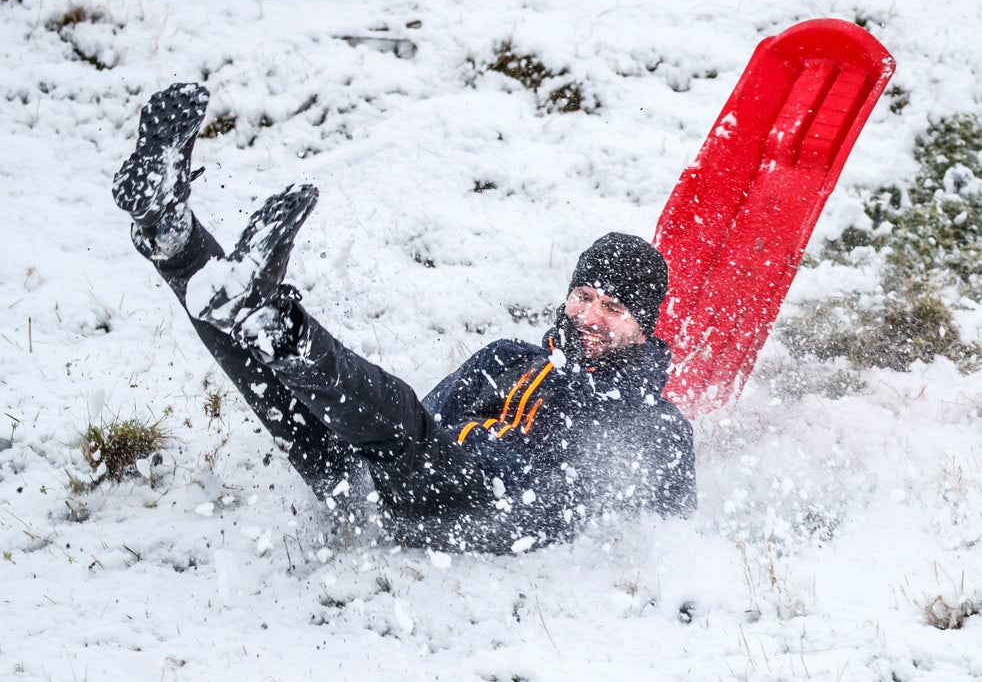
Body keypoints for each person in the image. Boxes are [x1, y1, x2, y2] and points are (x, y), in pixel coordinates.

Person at [112, 83, 696, 554]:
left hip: (482, 510)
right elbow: (425, 422)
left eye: (613, 308)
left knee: (393, 414)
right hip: (399, 490)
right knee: (288, 399)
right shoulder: (509, 358)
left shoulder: (654, 424)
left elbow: (675, 538)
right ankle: (173, 237)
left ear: (644, 326)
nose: (590, 315)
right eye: (584, 295)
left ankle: (273, 318)